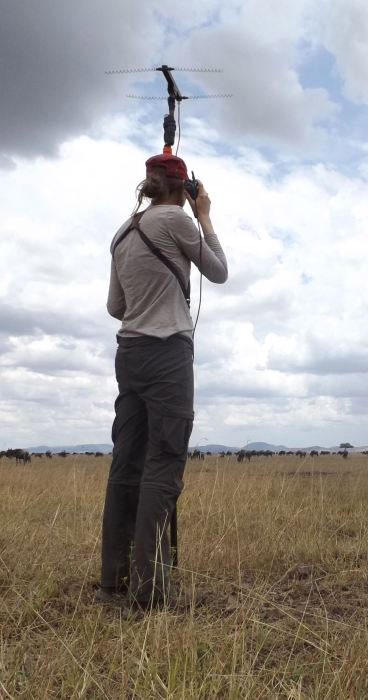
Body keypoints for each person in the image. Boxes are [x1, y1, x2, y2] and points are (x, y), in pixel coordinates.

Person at [99, 153, 228, 609]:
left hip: (128, 354)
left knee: (125, 464)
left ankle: (112, 583)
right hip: (168, 353)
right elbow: (219, 271)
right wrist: (206, 216)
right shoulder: (177, 219)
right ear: (182, 189)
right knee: (164, 464)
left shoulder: (123, 231)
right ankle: (150, 591)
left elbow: (116, 306)